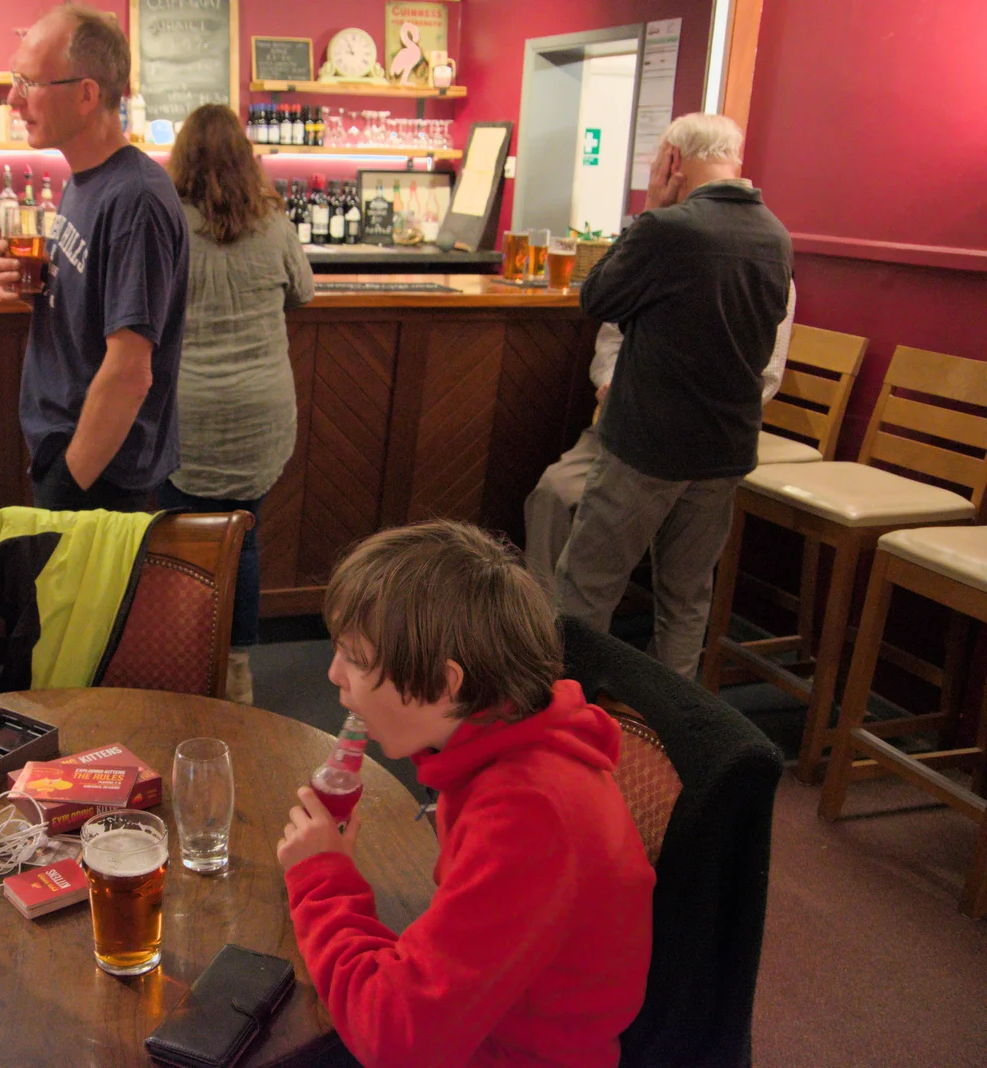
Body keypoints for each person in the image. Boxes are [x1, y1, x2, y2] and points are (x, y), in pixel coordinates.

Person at [276, 520, 654, 1068]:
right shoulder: (495, 748)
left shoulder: (529, 816)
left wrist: (320, 881)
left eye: (355, 658)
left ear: (447, 683)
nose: (333, 674)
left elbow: (396, 1036)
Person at [556, 113, 792, 679]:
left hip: (648, 442)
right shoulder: (774, 235)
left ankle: (565, 721)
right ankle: (672, 733)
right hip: (725, 447)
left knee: (586, 589)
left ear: (671, 161)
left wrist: (650, 210)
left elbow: (597, 297)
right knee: (686, 602)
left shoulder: (670, 229)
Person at [0, 4, 188, 511]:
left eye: (29, 83)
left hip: (101, 477)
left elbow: (130, 371)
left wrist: (65, 486)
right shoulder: (86, 180)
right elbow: (90, 312)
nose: (13, 99)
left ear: (86, 94)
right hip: (72, 453)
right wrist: (36, 286)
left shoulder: (135, 199)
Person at [160, 103, 313, 704]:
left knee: (182, 541)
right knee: (242, 536)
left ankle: (186, 661)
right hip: (260, 411)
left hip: (186, 413)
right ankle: (237, 668)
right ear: (247, 158)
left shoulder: (168, 221)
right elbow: (302, 291)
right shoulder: (273, 223)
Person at [524, 277, 795, 595]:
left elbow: (768, 377)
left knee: (681, 586)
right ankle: (536, 625)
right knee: (553, 493)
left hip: (707, 440)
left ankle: (580, 627)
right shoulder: (656, 248)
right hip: (625, 422)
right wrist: (616, 383)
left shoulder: (770, 270)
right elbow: (611, 341)